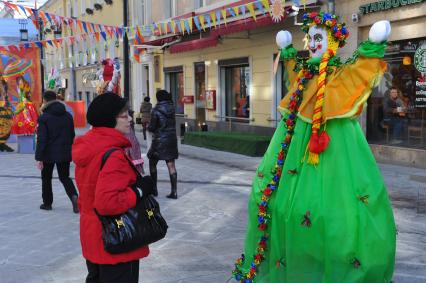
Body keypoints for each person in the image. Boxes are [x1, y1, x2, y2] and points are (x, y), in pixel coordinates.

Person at [232, 14, 396, 282]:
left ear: (331, 42)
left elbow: (358, 71)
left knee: (332, 212)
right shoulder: (305, 76)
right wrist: (286, 50)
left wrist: (373, 44)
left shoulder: (338, 75)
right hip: (295, 146)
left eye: (318, 38)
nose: (311, 44)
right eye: (310, 39)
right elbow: (293, 69)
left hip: (332, 149)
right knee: (283, 206)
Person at [72, 93, 154, 283]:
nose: (130, 120)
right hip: (116, 239)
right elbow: (108, 203)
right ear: (110, 119)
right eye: (124, 115)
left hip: (94, 236)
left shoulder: (90, 146)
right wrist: (140, 190)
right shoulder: (113, 154)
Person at [35, 90, 78, 213]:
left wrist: (39, 157)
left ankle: (47, 203)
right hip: (64, 151)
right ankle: (74, 197)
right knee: (65, 177)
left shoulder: (44, 117)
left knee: (46, 178)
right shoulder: (67, 115)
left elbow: (42, 139)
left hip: (48, 153)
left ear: (45, 100)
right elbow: (72, 134)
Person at [148, 90, 178, 199]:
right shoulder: (172, 109)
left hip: (159, 141)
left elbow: (152, 127)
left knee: (152, 162)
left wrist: (148, 127)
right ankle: (174, 192)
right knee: (171, 165)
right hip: (171, 140)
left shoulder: (156, 110)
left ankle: (154, 189)